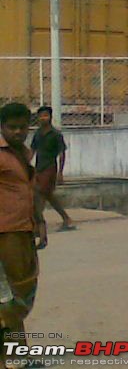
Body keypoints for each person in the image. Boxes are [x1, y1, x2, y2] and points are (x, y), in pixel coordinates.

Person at [0, 103, 47, 366]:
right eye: (12, 127)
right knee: (9, 299)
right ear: (2, 127)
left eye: (22, 127)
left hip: (22, 230)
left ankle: (18, 356)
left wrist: (39, 221)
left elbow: (31, 192)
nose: (18, 132)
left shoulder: (21, 154)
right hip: (5, 232)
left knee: (19, 295)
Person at [31, 106, 75, 232]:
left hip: (50, 169)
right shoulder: (37, 134)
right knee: (48, 195)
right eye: (41, 116)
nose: (43, 118)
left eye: (45, 115)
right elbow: (32, 151)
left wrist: (60, 172)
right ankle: (66, 219)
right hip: (38, 168)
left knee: (40, 194)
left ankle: (37, 224)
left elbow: (62, 154)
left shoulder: (55, 134)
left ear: (50, 117)